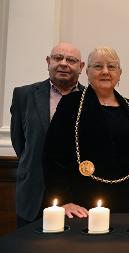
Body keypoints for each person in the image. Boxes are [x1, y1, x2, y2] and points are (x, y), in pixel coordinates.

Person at [43, 47, 129, 218]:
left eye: (111, 67)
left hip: (128, 200)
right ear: (87, 72)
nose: (105, 71)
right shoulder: (71, 104)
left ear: (120, 73)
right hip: (83, 202)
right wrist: (64, 200)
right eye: (98, 66)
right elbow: (53, 155)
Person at [10, 42, 85, 227]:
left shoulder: (90, 98)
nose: (64, 63)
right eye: (58, 58)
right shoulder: (24, 95)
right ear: (48, 61)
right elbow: (19, 141)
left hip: (76, 198)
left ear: (81, 67)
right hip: (33, 194)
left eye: (71, 60)